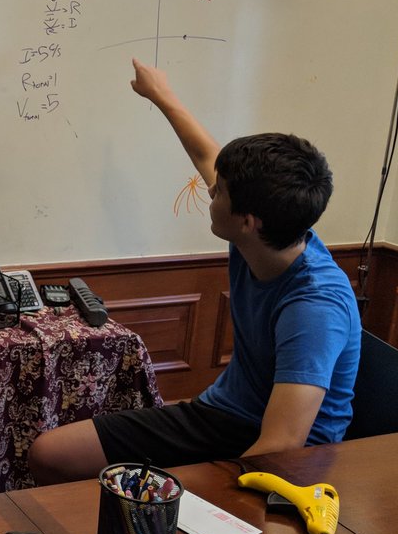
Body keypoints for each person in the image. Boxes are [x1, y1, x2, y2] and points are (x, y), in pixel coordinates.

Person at [29, 58, 361, 485]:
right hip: (224, 414)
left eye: (218, 192)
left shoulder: (315, 306)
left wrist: (199, 499)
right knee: (51, 454)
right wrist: (160, 94)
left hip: (292, 457)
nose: (210, 192)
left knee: (168, 507)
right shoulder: (265, 229)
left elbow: (282, 443)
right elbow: (206, 154)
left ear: (248, 221)